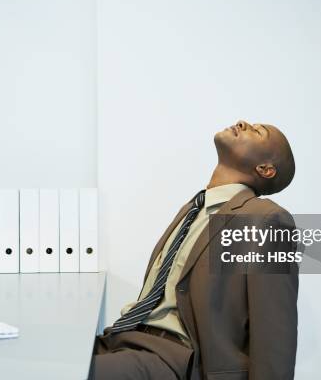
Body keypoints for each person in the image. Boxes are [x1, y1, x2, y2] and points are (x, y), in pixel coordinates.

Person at [90, 120, 298, 380]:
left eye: (257, 131)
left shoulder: (264, 219)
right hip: (124, 340)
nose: (243, 123)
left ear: (265, 169)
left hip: (179, 358)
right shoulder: (193, 209)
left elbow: (275, 331)